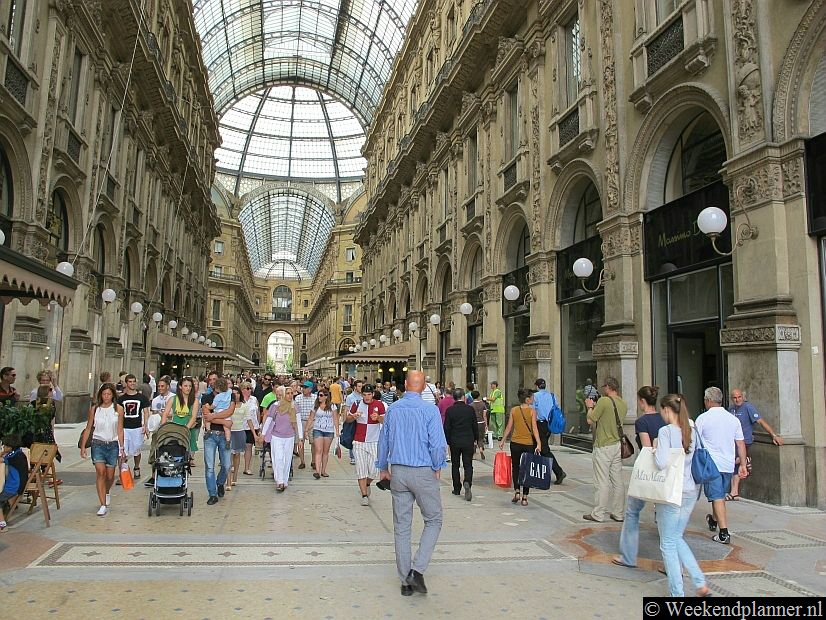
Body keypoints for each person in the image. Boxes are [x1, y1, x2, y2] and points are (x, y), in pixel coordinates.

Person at [377, 370, 446, 597]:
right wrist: (437, 466)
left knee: (402, 526)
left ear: (406, 385)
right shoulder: (430, 410)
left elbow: (383, 440)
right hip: (423, 470)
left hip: (398, 472)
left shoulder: (393, 409)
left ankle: (405, 582)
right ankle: (418, 569)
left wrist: (383, 468)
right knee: (434, 519)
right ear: (424, 385)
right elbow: (437, 445)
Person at [653, 394, 710, 597]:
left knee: (667, 542)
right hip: (690, 490)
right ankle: (700, 581)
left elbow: (660, 463)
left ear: (668, 410)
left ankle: (678, 594)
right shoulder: (692, 431)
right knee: (677, 537)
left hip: (671, 491)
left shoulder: (666, 432)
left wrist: (655, 449)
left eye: (662, 410)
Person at [613, 385, 664, 567]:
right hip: (664, 471)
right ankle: (670, 561)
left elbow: (647, 448)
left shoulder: (642, 422)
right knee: (665, 517)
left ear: (642, 401)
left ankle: (628, 556)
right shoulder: (664, 419)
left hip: (646, 471)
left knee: (632, 512)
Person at [696, 386, 749, 544]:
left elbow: (695, 441)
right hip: (727, 464)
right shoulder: (733, 419)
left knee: (717, 496)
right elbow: (740, 444)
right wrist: (743, 464)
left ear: (709, 400)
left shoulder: (703, 418)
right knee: (718, 495)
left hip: (710, 464)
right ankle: (713, 520)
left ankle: (724, 532)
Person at [584, 377, 627, 523]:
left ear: (608, 387)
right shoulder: (622, 403)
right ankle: (618, 513)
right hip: (617, 444)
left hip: (603, 445)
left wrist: (590, 406)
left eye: (604, 387)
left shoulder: (603, 401)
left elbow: (591, 419)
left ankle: (598, 513)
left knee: (601, 481)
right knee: (617, 480)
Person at [727, 388, 783, 500]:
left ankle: (745, 462)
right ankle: (734, 492)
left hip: (745, 441)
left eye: (739, 397)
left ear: (743, 397)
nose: (737, 400)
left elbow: (761, 421)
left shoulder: (748, 407)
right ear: (732, 399)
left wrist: (774, 435)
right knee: (735, 465)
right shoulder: (731, 409)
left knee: (735, 462)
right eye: (735, 397)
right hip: (733, 442)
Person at [79, 383, 125, 516]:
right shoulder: (94, 409)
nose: (106, 397)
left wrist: (122, 447)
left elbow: (120, 429)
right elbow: (88, 428)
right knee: (100, 472)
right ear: (100, 395)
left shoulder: (118, 409)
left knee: (110, 475)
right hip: (97, 443)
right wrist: (83, 446)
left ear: (113, 395)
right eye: (104, 394)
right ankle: (102, 504)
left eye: (109, 394)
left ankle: (106, 491)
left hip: (113, 444)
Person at [499, 388, 542, 506]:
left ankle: (517, 491)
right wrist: (539, 443)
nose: (533, 399)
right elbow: (534, 428)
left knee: (516, 467)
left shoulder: (514, 410)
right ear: (527, 400)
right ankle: (525, 497)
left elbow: (508, 427)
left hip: (515, 443)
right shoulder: (532, 411)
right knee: (527, 469)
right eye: (532, 397)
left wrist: (503, 440)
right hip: (528, 444)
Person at [348, 385, 385, 505]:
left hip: (374, 441)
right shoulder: (356, 403)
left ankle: (367, 483)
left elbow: (385, 420)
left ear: (373, 394)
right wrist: (353, 417)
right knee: (361, 469)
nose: (367, 397)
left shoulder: (380, 405)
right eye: (364, 394)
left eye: (369, 394)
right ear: (361, 394)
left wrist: (378, 417)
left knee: (374, 470)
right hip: (358, 441)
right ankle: (364, 495)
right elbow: (347, 419)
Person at [201, 376, 235, 505]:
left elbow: (230, 411)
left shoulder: (230, 395)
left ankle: (220, 483)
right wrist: (225, 422)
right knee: (209, 466)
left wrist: (213, 416)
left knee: (226, 466)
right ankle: (212, 494)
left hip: (224, 435)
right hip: (211, 436)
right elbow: (205, 415)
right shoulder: (206, 397)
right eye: (212, 380)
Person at [444, 388, 479, 501]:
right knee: (468, 464)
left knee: (455, 465)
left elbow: (447, 427)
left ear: (454, 397)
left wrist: (448, 440)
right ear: (463, 397)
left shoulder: (450, 410)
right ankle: (467, 482)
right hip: (468, 440)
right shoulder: (470, 409)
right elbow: (474, 425)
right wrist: (476, 439)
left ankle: (457, 488)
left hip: (455, 440)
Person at [532, 378, 567, 485]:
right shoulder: (551, 396)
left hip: (540, 424)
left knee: (543, 449)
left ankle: (558, 471)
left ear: (537, 386)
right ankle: (540, 473)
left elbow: (532, 410)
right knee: (541, 448)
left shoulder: (535, 396)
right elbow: (556, 407)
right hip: (549, 424)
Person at [118, 374, 151, 482]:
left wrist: (146, 425)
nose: (132, 384)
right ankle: (123, 474)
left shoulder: (142, 398)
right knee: (122, 451)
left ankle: (137, 466)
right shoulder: (121, 399)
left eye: (134, 381)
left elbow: (146, 412)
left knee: (136, 449)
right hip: (125, 428)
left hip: (137, 427)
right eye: (130, 382)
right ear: (126, 383)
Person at [264, 386, 298, 492]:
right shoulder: (275, 406)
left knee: (287, 459)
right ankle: (280, 481)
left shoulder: (294, 406)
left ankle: (284, 480)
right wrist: (263, 433)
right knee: (278, 458)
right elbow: (269, 419)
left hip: (290, 436)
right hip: (276, 436)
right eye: (287, 393)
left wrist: (300, 437)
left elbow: (298, 422)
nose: (290, 395)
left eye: (291, 393)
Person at [304, 388, 339, 479]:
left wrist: (337, 430)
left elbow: (335, 419)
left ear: (326, 396)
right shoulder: (315, 406)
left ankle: (323, 470)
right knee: (318, 450)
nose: (319, 397)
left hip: (329, 430)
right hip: (317, 429)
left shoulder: (332, 406)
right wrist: (306, 430)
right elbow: (311, 418)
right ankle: (317, 471)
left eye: (321, 395)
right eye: (318, 395)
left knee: (325, 452)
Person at [162, 376, 198, 453]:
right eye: (185, 386)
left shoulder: (195, 401)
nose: (188, 388)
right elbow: (165, 414)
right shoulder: (173, 399)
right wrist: (163, 428)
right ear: (180, 387)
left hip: (188, 429)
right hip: (175, 429)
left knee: (187, 454)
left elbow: (193, 417)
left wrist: (185, 429)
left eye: (190, 386)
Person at [0, 441, 29, 530]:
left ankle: (2, 524)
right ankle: (11, 505)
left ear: (10, 447)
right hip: (20, 485)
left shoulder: (12, 457)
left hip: (14, 487)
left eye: (5, 446)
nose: (3, 447)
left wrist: (2, 453)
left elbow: (1, 459)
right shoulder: (20, 453)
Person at [294, 381, 316, 469]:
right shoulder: (298, 398)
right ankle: (302, 461)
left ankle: (313, 461)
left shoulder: (315, 398)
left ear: (310, 389)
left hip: (312, 422)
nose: (303, 389)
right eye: (303, 387)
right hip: (301, 421)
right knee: (301, 442)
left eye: (306, 387)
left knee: (313, 442)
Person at [239, 382, 260, 476]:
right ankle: (233, 466)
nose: (249, 390)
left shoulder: (254, 399)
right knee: (236, 448)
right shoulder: (238, 400)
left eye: (250, 388)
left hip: (252, 427)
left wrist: (258, 425)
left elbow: (258, 412)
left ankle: (247, 468)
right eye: (247, 388)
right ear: (242, 389)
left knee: (249, 447)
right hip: (240, 426)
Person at [344, 379, 364, 465]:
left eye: (362, 386)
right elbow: (346, 409)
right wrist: (345, 419)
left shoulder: (364, 396)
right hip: (352, 419)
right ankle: (352, 456)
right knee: (352, 436)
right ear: (355, 387)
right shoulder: (350, 397)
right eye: (359, 386)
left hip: (362, 419)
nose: (361, 388)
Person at [470, 391, 488, 460]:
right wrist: (486, 424)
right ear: (478, 396)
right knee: (480, 438)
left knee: (473, 439)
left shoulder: (471, 405)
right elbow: (484, 415)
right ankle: (481, 448)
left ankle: (473, 454)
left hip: (474, 423)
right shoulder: (482, 404)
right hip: (481, 422)